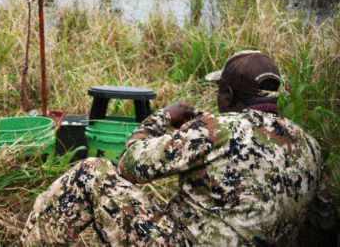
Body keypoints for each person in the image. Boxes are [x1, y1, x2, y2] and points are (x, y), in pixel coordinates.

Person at [21, 50, 333, 246]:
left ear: (227, 94)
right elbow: (324, 222)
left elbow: (130, 164)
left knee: (90, 173)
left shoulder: (216, 129)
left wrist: (162, 118)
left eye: (219, 92)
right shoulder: (310, 146)